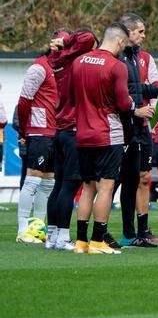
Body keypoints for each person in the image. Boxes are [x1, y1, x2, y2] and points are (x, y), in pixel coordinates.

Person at [72, 23, 138, 254]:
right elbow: (123, 104)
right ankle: (98, 241)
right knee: (106, 186)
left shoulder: (78, 62)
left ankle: (80, 242)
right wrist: (132, 103)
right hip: (107, 134)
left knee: (88, 187)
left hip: (82, 134)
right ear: (120, 42)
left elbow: (72, 98)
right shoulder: (116, 66)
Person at [44, 29, 97, 250]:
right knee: (69, 186)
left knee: (59, 185)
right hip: (74, 129)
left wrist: (64, 43)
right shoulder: (74, 60)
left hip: (60, 129)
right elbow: (87, 38)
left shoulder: (57, 59)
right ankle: (63, 236)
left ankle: (52, 235)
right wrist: (68, 41)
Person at [117, 13, 158, 248]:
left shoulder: (143, 57)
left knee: (141, 177)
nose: (144, 36)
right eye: (141, 31)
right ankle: (94, 232)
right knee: (111, 181)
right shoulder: (118, 57)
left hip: (143, 125)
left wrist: (155, 105)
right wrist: (136, 109)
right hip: (124, 125)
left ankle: (140, 231)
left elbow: (153, 86)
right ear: (128, 32)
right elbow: (119, 91)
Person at [16, 34, 61, 243]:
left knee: (47, 183)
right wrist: (24, 131)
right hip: (39, 131)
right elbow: (24, 101)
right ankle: (23, 230)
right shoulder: (39, 68)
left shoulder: (61, 70)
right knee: (33, 179)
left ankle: (38, 228)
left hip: (55, 132)